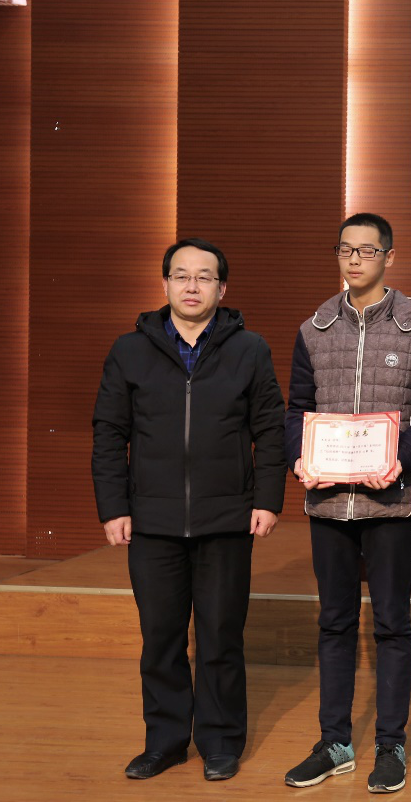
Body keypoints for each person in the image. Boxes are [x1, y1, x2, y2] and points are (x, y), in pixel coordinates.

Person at [92, 238, 286, 782]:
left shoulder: (250, 349)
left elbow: (270, 430)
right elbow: (108, 434)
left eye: (204, 277)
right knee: (161, 638)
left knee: (221, 637)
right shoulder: (129, 351)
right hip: (151, 520)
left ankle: (220, 741)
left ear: (222, 288)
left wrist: (267, 499)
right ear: (165, 285)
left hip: (226, 518)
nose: (192, 286)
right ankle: (166, 741)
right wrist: (113, 507)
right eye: (181, 276)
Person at [283, 213, 411, 793]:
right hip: (329, 502)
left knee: (391, 625)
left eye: (367, 250)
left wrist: (399, 458)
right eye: (345, 250)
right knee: (333, 623)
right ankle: (334, 742)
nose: (355, 259)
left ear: (389, 257)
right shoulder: (313, 330)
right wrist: (298, 456)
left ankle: (390, 744)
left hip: (391, 503)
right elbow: (296, 409)